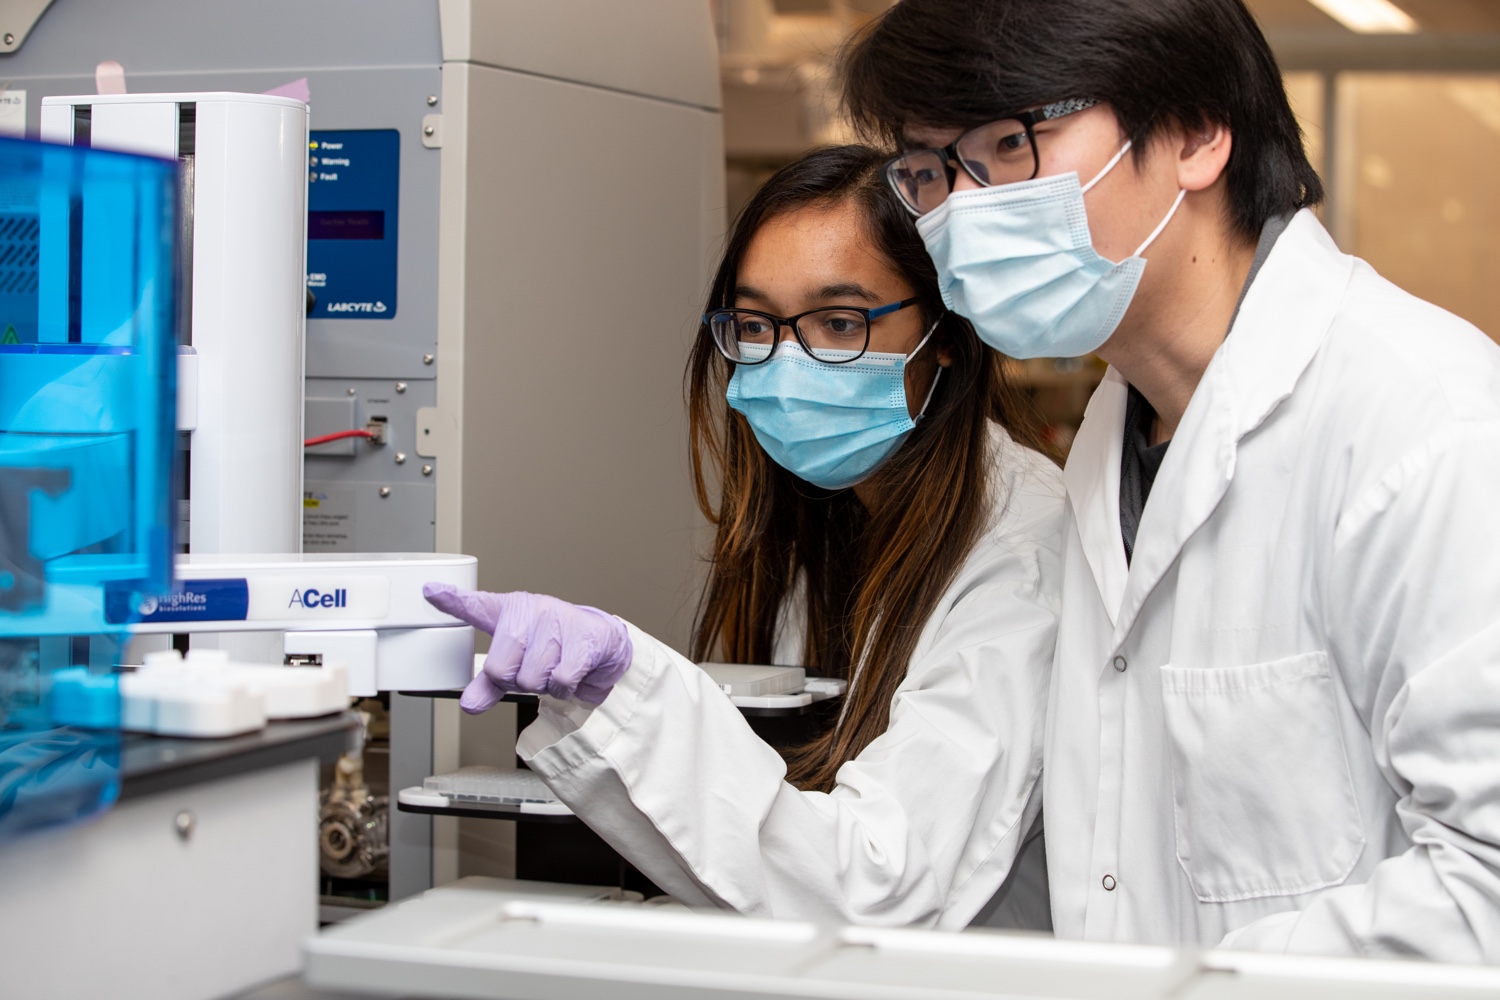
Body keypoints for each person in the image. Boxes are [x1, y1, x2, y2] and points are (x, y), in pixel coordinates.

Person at [841, 0, 1500, 961]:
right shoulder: (1112, 452)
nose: (962, 213)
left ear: (1195, 133)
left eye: (1009, 144)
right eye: (932, 170)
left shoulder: (1427, 424)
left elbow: (1486, 885)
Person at [424, 144, 1067, 928]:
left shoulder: (1023, 548)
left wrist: (635, 690)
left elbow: (880, 885)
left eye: (838, 322)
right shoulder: (824, 516)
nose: (788, 361)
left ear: (947, 336)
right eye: (758, 324)